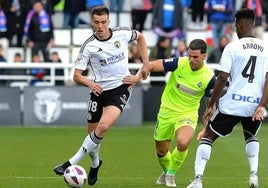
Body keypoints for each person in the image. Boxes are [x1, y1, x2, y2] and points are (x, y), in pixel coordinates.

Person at [53, 6, 149, 186]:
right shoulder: (89, 45)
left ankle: (71, 162)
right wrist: (90, 83)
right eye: (96, 22)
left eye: (103, 22)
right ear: (92, 22)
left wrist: (145, 64)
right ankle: (95, 163)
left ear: (109, 22)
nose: (100, 26)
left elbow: (141, 37)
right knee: (93, 137)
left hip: (121, 88)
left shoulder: (122, 34)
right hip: (98, 91)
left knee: (103, 127)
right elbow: (76, 75)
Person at [186, 8, 268, 188]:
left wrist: (211, 104)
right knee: (250, 135)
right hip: (254, 104)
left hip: (232, 103)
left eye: (236, 26)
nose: (236, 30)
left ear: (240, 25)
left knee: (207, 136)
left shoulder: (232, 47)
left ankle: (198, 180)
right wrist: (262, 105)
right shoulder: (265, 47)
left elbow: (222, 78)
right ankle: (254, 174)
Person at [124, 39, 216, 187]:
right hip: (167, 110)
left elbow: (209, 106)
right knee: (161, 152)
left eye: (195, 57)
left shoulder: (209, 78)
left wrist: (207, 126)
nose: (191, 60)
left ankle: (171, 175)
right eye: (189, 56)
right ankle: (167, 171)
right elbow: (152, 65)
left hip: (188, 113)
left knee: (183, 142)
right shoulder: (179, 63)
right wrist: (138, 77)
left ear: (204, 56)